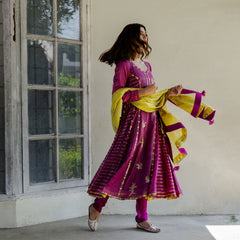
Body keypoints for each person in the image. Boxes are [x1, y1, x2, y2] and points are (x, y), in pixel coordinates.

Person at [87, 23, 214, 233]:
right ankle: (97, 206)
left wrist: (169, 92)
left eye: (146, 34)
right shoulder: (124, 65)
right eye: (141, 34)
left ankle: (142, 218)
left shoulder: (147, 66)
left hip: (151, 124)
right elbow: (119, 95)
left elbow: (152, 96)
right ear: (131, 38)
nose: (145, 37)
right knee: (120, 165)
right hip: (131, 125)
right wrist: (144, 92)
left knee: (147, 167)